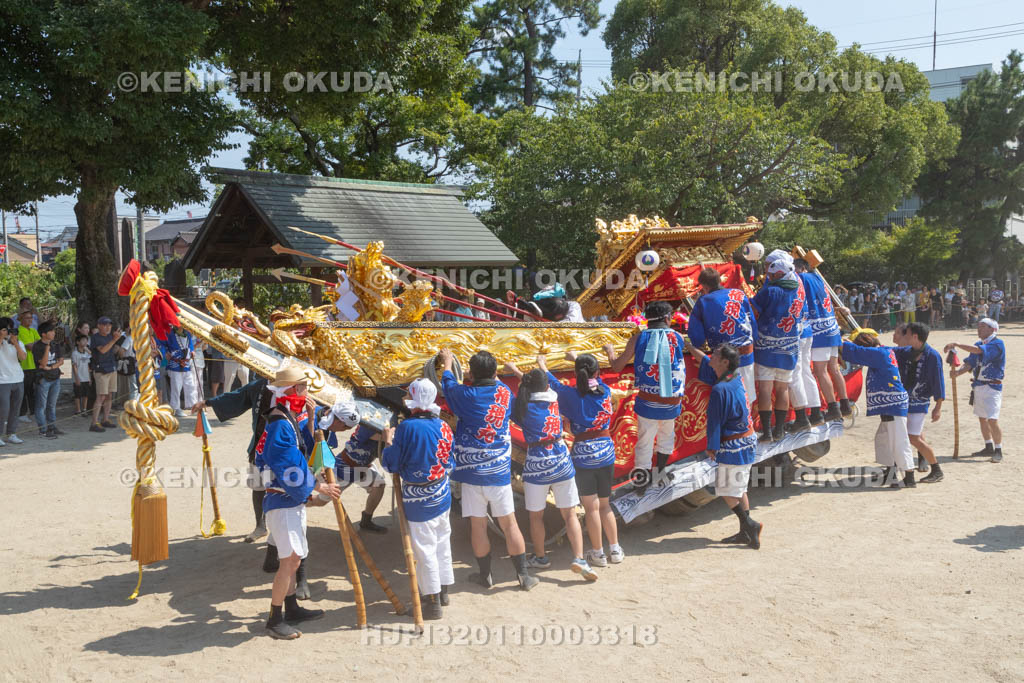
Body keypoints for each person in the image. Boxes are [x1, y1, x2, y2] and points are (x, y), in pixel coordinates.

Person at [253, 366, 341, 639]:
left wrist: (312, 488)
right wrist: (317, 487)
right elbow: (288, 467)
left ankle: (291, 608)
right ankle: (274, 618)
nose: (306, 392)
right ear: (290, 391)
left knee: (294, 557)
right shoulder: (280, 423)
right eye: (302, 387)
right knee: (290, 559)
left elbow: (302, 454)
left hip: (289, 499)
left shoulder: (286, 419)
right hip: (282, 500)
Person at [440, 347, 538, 591]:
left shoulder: (464, 394)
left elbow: (448, 382)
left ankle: (486, 576)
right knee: (510, 524)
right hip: (499, 472)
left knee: (478, 525)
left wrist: (448, 362)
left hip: (472, 474)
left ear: (471, 373)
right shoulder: (504, 393)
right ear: (495, 373)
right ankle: (524, 576)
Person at [504, 360, 598, 581]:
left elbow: (506, 392)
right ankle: (579, 558)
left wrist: (507, 373)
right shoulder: (554, 400)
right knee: (570, 514)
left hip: (537, 466)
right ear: (547, 387)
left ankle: (540, 558)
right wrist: (521, 370)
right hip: (562, 462)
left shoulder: (523, 408)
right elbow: (536, 386)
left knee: (536, 517)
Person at [381, 379, 456, 619]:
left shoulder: (407, 427)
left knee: (424, 550)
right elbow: (450, 460)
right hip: (442, 491)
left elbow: (391, 462)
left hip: (419, 496)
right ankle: (443, 591)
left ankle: (431, 601)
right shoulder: (444, 425)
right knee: (442, 542)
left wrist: (388, 441)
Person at [540, 351, 622, 568]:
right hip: (606, 452)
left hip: (584, 455)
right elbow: (595, 379)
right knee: (605, 506)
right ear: (596, 372)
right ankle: (615, 549)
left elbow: (554, 385)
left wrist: (543, 366)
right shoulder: (604, 391)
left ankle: (598, 554)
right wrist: (577, 358)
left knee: (592, 508)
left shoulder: (571, 395)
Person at [686, 340, 763, 549]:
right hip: (746, 441)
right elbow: (706, 360)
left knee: (726, 491)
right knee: (739, 489)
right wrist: (691, 348)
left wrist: (712, 447)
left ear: (725, 361)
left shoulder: (720, 389)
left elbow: (715, 422)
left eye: (717, 354)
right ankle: (746, 532)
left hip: (734, 446)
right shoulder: (733, 378)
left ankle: (749, 525)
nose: (712, 355)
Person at [604, 300, 686, 485]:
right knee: (667, 435)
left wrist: (610, 351)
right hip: (672, 401)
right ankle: (661, 471)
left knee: (644, 441)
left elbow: (617, 367)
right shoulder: (678, 337)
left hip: (648, 402)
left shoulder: (638, 338)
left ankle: (641, 483)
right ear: (667, 318)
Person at [194, 376, 274, 543]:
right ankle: (260, 525)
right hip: (261, 444)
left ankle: (282, 531)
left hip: (288, 446)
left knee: (286, 488)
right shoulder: (260, 385)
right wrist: (208, 402)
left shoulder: (296, 387)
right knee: (258, 486)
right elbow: (237, 395)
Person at [841, 329, 915, 488]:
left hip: (892, 404)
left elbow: (855, 351)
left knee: (898, 441)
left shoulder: (878, 354)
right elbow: (858, 349)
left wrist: (837, 340)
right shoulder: (885, 351)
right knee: (884, 439)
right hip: (892, 403)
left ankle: (909, 476)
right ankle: (891, 474)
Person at [749, 250, 805, 442]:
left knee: (765, 389)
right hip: (789, 347)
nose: (769, 278)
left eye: (771, 275)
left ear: (779, 274)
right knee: (782, 389)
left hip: (767, 347)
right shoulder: (797, 291)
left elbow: (753, 311)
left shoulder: (770, 291)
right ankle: (779, 430)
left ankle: (767, 431)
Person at [687, 267, 758, 405]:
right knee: (747, 391)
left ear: (705, 286)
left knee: (731, 395)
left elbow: (696, 335)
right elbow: (751, 321)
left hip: (725, 359)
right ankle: (749, 424)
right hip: (747, 353)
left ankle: (736, 424)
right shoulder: (739, 294)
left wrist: (697, 344)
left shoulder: (703, 301)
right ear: (720, 280)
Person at [314, 403, 388, 534]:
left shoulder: (380, 424)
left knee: (379, 485)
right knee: (320, 501)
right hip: (344, 468)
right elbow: (388, 438)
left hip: (361, 470)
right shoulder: (369, 426)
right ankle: (298, 503)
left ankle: (366, 520)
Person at [794, 259, 848, 424]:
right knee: (834, 368)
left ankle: (833, 407)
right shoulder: (818, 278)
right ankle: (844, 404)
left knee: (820, 371)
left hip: (818, 329)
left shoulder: (801, 278)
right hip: (831, 326)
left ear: (802, 268)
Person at [945, 318, 1005, 463]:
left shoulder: (997, 343)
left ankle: (998, 449)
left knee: (992, 419)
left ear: (992, 329)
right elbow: (970, 363)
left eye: (983, 327)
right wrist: (958, 373)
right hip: (978, 385)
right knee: (982, 418)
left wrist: (958, 344)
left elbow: (979, 352)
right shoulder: (978, 344)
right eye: (978, 326)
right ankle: (988, 445)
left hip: (992, 386)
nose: (979, 329)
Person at [893, 323, 945, 483]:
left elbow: (938, 382)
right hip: (905, 400)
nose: (904, 337)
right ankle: (893, 469)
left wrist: (938, 407)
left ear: (915, 336)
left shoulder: (932, 356)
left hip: (920, 401)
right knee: (902, 435)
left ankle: (937, 469)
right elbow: (886, 351)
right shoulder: (907, 352)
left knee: (913, 438)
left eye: (907, 334)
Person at [89, 317, 122, 432]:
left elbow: (112, 350)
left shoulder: (110, 337)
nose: (108, 327)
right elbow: (102, 350)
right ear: (98, 326)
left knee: (109, 395)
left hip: (111, 367)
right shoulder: (95, 338)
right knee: (101, 396)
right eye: (104, 325)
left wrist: (117, 345)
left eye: (109, 325)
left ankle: (105, 419)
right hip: (101, 369)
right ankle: (94, 423)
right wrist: (114, 340)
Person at [32, 321, 63, 438]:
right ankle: (43, 429)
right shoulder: (37, 346)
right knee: (41, 406)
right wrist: (47, 349)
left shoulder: (56, 344)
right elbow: (42, 363)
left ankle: (52, 427)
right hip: (43, 379)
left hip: (55, 377)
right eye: (51, 331)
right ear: (44, 334)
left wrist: (50, 367)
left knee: (52, 405)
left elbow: (61, 361)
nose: (53, 333)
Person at [158, 324, 197, 417]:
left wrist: (192, 351)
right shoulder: (169, 333)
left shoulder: (187, 333)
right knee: (176, 387)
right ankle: (176, 408)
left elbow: (190, 346)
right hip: (174, 364)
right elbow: (162, 344)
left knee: (190, 385)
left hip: (186, 363)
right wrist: (165, 353)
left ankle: (193, 406)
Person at [0, 318, 26, 445]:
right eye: (5, 329)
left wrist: (15, 343)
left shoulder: (17, 342)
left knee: (15, 409)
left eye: (10, 329)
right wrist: (1, 338)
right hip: (2, 381)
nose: (8, 332)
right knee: (3, 409)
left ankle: (12, 433)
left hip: (18, 379)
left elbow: (23, 358)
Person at [17, 310, 40, 422]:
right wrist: (35, 344)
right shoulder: (19, 331)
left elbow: (41, 345)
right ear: (21, 319)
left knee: (33, 390)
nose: (30, 320)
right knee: (24, 391)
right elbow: (30, 347)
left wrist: (35, 344)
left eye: (31, 318)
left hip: (35, 365)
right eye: (27, 318)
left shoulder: (33, 330)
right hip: (24, 365)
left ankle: (33, 411)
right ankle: (22, 413)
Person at [71, 335, 92, 416]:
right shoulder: (74, 353)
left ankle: (84, 409)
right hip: (78, 377)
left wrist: (89, 377)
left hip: (86, 376)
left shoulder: (87, 352)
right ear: (78, 342)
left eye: (86, 340)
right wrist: (77, 378)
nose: (85, 342)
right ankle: (78, 410)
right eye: (83, 340)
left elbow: (90, 361)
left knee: (85, 394)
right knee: (78, 395)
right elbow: (74, 366)